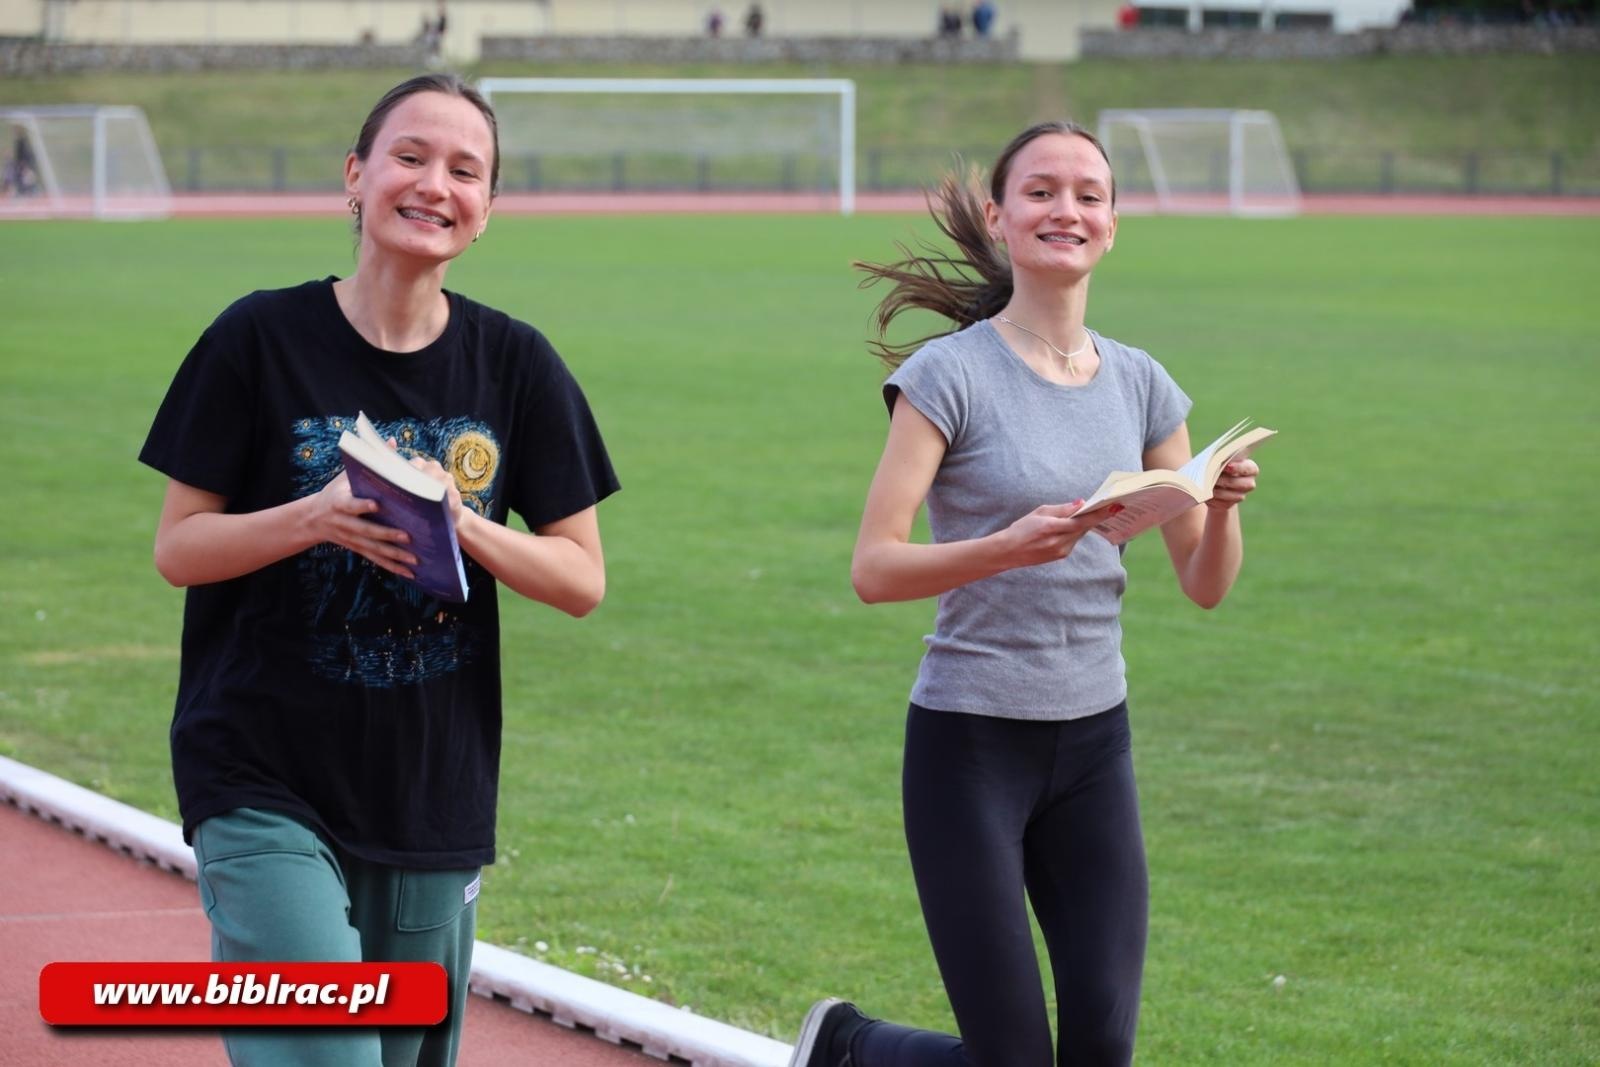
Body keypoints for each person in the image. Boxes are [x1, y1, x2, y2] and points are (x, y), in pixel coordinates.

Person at [139, 73, 618, 1067]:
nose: (434, 183)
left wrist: (465, 525)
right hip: (259, 773)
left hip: (428, 786)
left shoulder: (517, 365)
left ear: (486, 210)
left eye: (465, 169)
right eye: (410, 156)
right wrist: (312, 518)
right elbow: (179, 547)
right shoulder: (256, 339)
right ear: (355, 176)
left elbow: (580, 578)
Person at [789, 120, 1262, 1067]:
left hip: (1095, 745)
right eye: (1042, 191)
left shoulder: (1142, 385)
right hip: (970, 745)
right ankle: (848, 1047)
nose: (1067, 209)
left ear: (1114, 225)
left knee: (1099, 1054)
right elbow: (874, 567)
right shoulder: (947, 377)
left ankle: (844, 1048)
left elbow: (1203, 583)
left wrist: (1222, 501)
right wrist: (1003, 548)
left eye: (1089, 193)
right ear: (1002, 219)